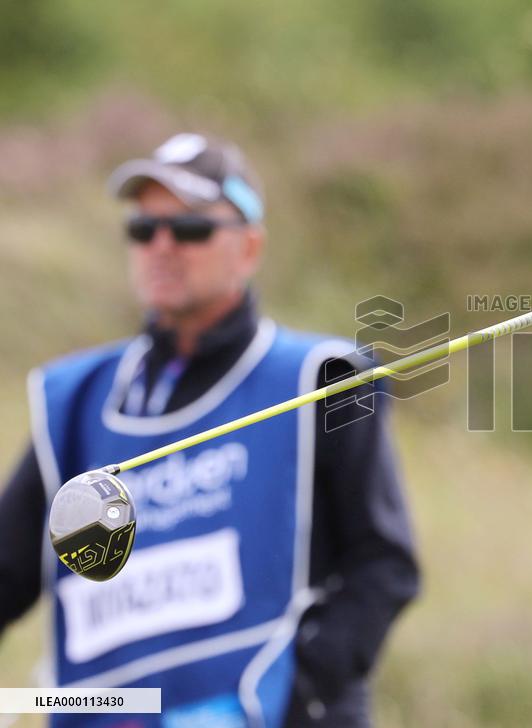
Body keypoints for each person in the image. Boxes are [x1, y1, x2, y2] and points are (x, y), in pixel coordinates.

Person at [0, 133, 420, 727]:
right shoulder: (73, 401)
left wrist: (287, 696)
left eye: (191, 228)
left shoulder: (322, 377)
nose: (162, 246)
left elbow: (384, 564)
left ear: (249, 247)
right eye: (144, 228)